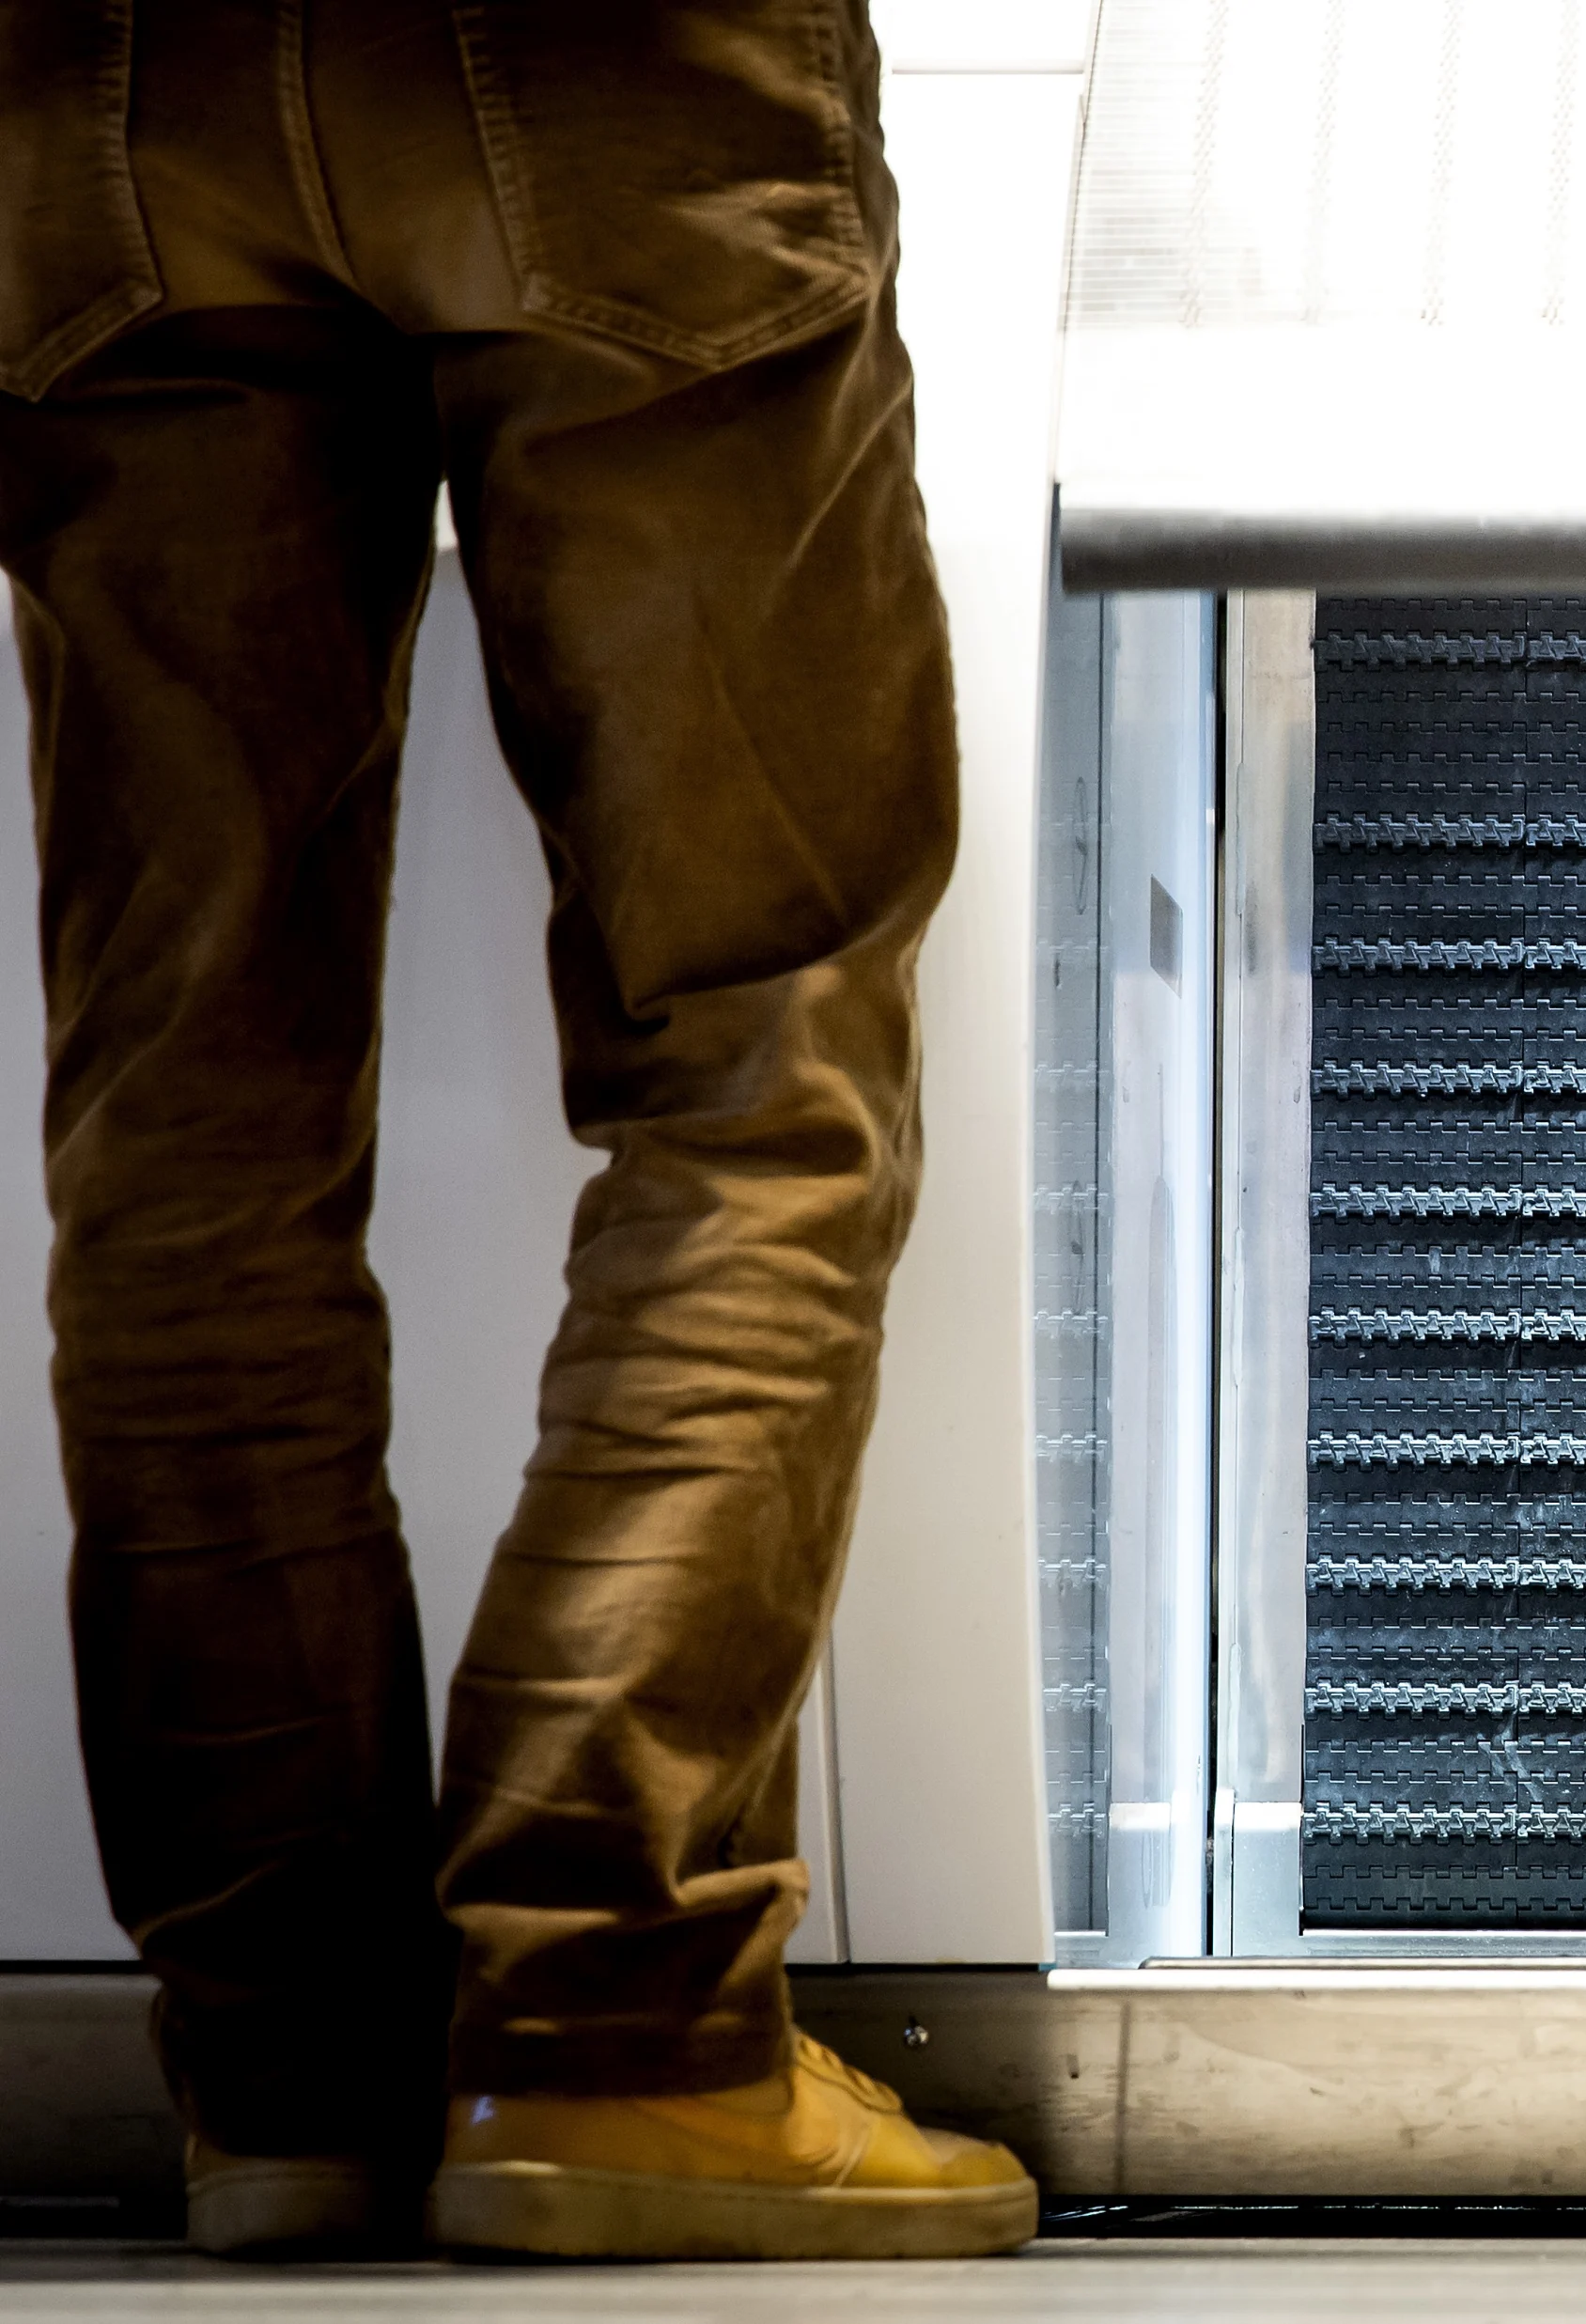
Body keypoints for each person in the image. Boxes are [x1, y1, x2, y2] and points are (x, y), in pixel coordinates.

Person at [0, 0, 1034, 2264]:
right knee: (755, 1064)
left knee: (186, 1124)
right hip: (605, 73)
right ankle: (615, 2035)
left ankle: (289, 2081)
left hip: (93, 97)